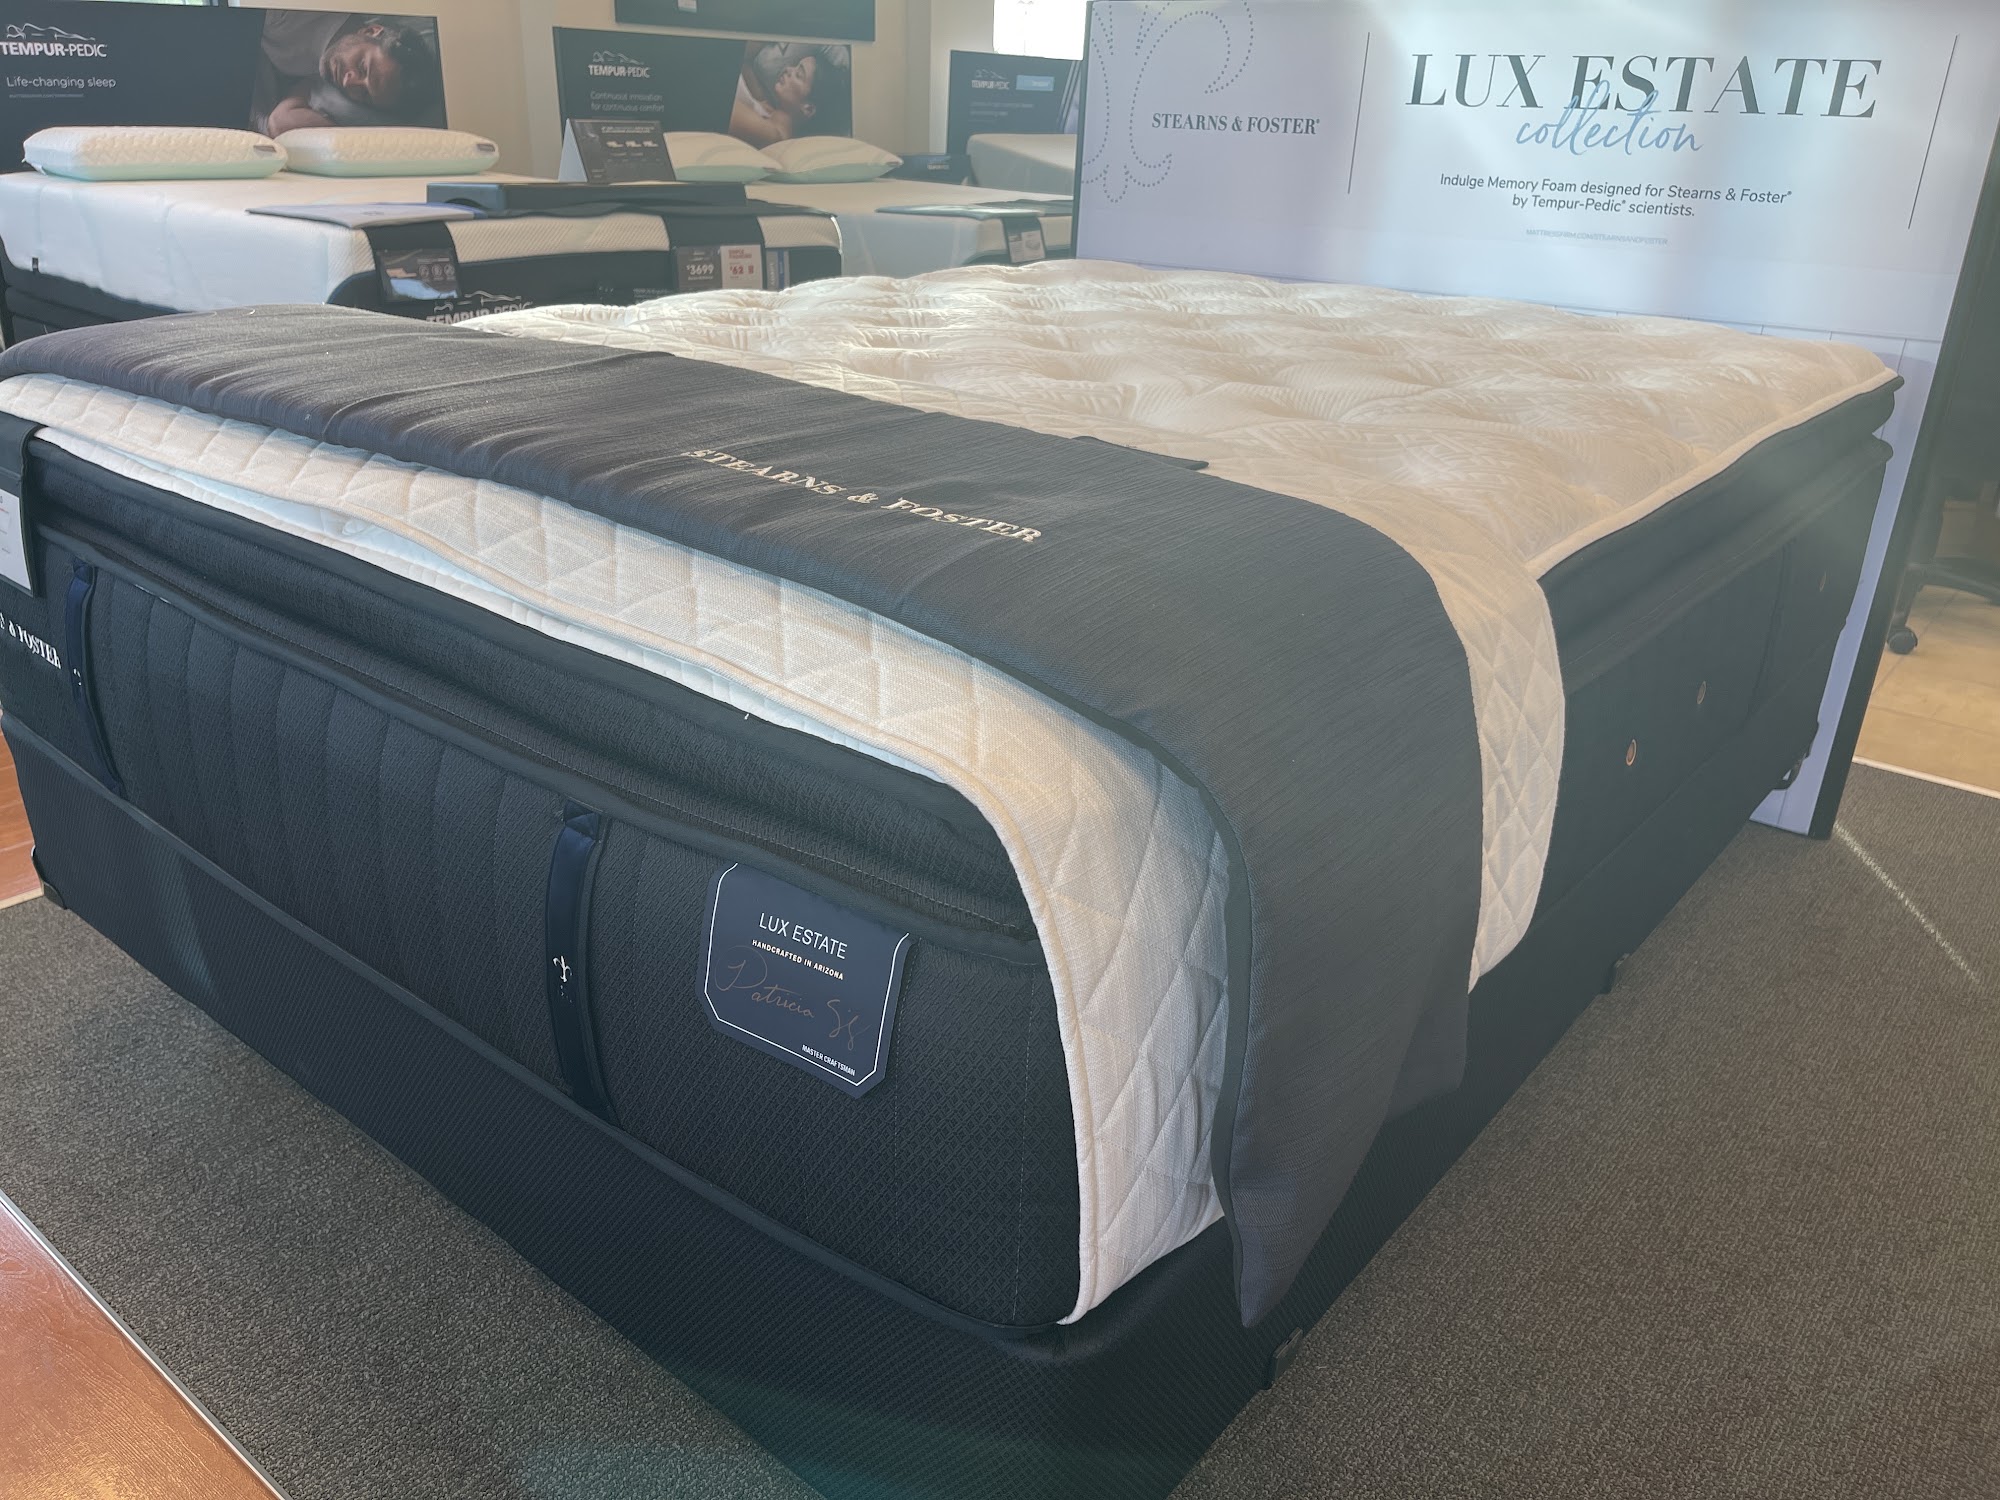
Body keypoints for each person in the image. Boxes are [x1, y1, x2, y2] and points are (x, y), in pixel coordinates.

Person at [250, 13, 445, 135]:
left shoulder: (325, 72)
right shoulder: (291, 16)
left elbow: (279, 122)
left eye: (364, 94)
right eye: (362, 67)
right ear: (370, 31)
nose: (348, 82)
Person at [729, 42, 851, 146]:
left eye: (798, 75)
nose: (788, 69)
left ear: (808, 109)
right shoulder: (768, 109)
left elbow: (720, 101)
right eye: (795, 66)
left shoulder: (772, 134)